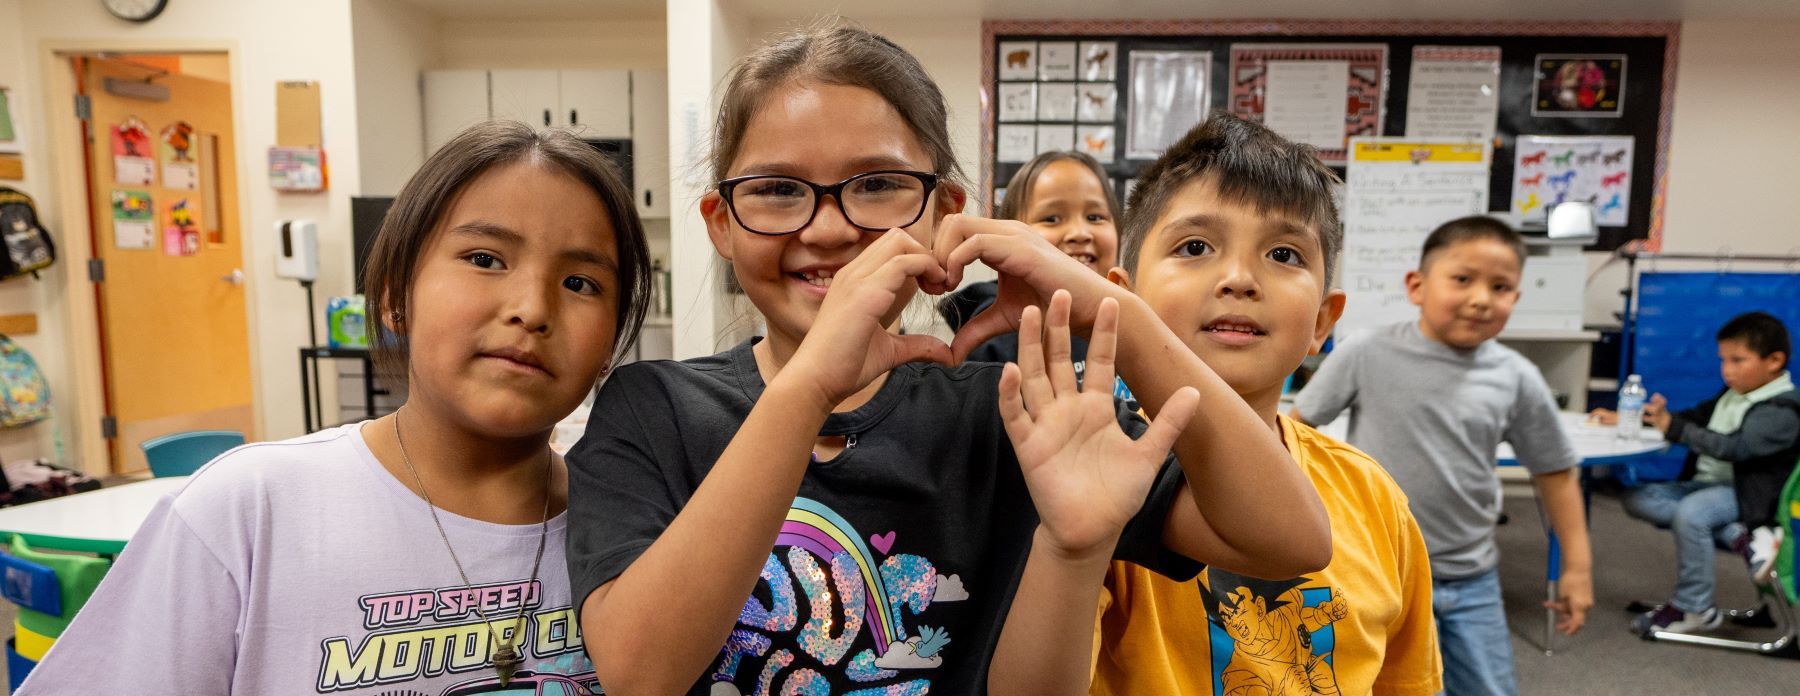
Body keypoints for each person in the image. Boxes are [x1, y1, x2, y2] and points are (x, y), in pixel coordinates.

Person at [565, 22, 1330, 695]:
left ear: (945, 214)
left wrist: (1111, 310)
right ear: (720, 222)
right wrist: (808, 388)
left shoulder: (1013, 410)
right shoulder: (652, 406)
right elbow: (641, 673)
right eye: (775, 190)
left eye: (878, 185)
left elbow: (1290, 539)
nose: (829, 229)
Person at [16, 121, 653, 693]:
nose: (533, 308)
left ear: (613, 342)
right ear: (392, 296)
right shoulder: (250, 508)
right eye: (484, 259)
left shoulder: (642, 533)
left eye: (580, 283)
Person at [1091, 113, 1441, 696]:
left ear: (1322, 323)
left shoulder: (1374, 500)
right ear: (1123, 300)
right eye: (1195, 246)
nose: (1239, 278)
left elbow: (1406, 683)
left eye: (1283, 254)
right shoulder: (1090, 474)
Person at [1292, 215, 1592, 696]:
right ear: (1417, 285)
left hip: (1469, 577)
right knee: (1369, 685)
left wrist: (1576, 569)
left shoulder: (1516, 376)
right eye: (1462, 279)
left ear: (1515, 299)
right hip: (1376, 571)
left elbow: (1555, 474)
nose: (1480, 298)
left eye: (1500, 287)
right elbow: (1297, 430)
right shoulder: (1367, 351)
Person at [1594, 311, 1800, 632]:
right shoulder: (1734, 394)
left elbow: (1734, 448)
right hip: (1707, 486)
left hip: (1748, 495)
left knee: (1692, 515)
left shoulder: (1781, 410)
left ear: (1774, 361)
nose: (1726, 371)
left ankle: (1695, 607)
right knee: (1638, 498)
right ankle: (1741, 537)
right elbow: (1694, 417)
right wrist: (1644, 418)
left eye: (1737, 360)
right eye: (1723, 360)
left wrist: (1673, 428)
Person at [939, 150, 1120, 375]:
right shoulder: (996, 344)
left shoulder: (1135, 322)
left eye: (1095, 217)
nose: (1080, 233)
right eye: (1051, 219)